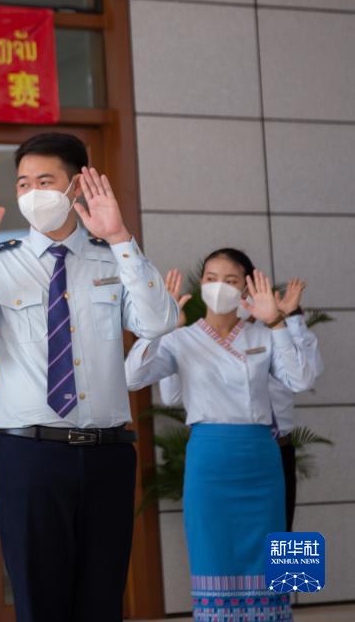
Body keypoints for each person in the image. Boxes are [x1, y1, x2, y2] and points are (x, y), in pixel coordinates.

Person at [0, 132, 179, 621]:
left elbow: (159, 322)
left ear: (76, 185)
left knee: (102, 601)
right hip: (29, 456)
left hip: (107, 455)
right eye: (23, 183)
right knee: (40, 603)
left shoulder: (113, 257)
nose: (32, 193)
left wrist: (120, 237)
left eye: (45, 181)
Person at [125, 249, 317, 622]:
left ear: (246, 287)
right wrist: (160, 327)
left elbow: (302, 379)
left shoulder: (265, 333)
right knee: (212, 553)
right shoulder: (181, 338)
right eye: (211, 278)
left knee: (278, 550)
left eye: (230, 280)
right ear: (201, 285)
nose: (219, 287)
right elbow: (133, 377)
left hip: (265, 457)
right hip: (210, 459)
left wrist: (279, 321)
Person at [157, 274, 324, 532]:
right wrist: (170, 333)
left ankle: (287, 562)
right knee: (223, 539)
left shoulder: (277, 334)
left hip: (277, 449)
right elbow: (172, 395)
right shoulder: (206, 341)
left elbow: (309, 372)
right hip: (225, 452)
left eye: (235, 284)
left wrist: (291, 317)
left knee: (281, 534)